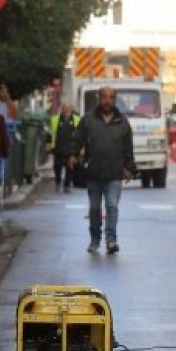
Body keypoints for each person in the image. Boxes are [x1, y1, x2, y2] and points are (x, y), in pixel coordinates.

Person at [71, 86, 136, 255]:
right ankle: (94, 239)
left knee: (112, 206)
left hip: (114, 173)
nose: (107, 100)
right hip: (94, 172)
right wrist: (73, 154)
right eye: (104, 97)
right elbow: (77, 139)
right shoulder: (88, 120)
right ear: (99, 99)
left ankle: (111, 240)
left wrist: (129, 168)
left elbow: (128, 147)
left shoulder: (122, 122)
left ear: (115, 100)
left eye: (111, 97)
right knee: (94, 208)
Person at [49, 101, 82, 193]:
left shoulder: (77, 119)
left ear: (72, 109)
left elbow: (81, 134)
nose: (67, 110)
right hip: (58, 147)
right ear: (62, 109)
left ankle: (67, 185)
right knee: (57, 167)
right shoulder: (55, 119)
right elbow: (50, 133)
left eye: (69, 108)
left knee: (70, 167)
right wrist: (49, 146)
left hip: (72, 148)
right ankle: (58, 181)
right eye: (65, 108)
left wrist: (80, 148)